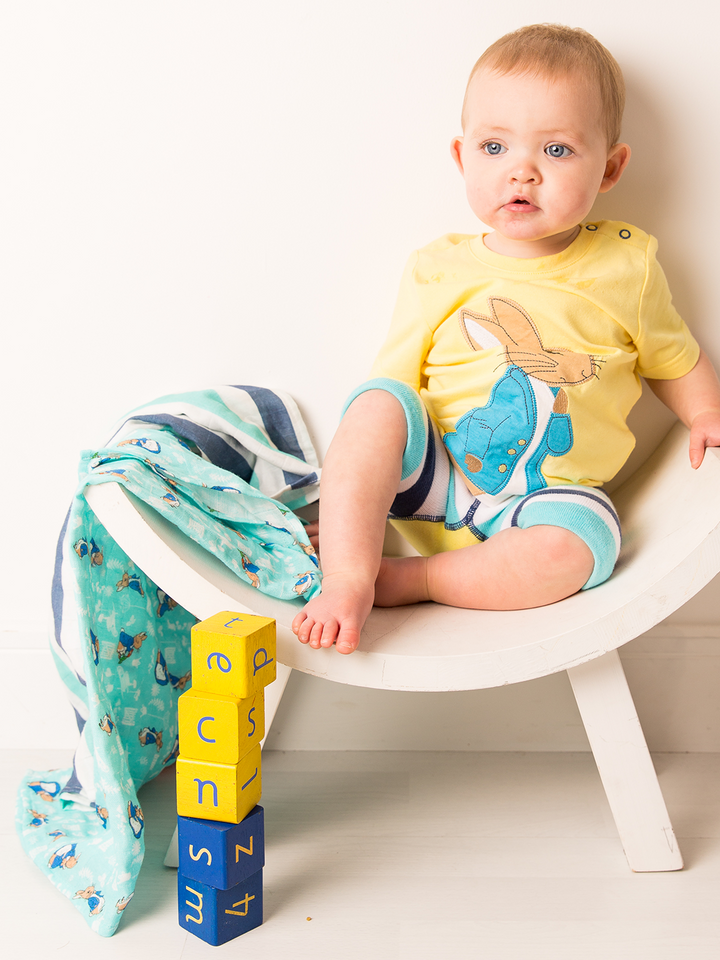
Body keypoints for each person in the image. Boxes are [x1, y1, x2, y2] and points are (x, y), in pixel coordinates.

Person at [292, 23, 720, 655]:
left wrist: (705, 411)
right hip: (439, 478)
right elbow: (393, 385)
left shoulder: (625, 268)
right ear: (463, 159)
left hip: (545, 500)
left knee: (587, 542)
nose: (522, 172)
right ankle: (350, 574)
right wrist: (373, 465)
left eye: (556, 151)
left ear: (610, 167)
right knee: (378, 403)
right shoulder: (438, 267)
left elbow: (671, 356)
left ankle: (416, 578)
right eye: (495, 148)